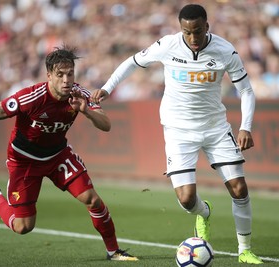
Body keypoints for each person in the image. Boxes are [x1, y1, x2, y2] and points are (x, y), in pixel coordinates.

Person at [91, 4, 263, 264]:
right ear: (180, 29)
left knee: (239, 188)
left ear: (207, 26)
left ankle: (245, 250)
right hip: (179, 130)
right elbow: (133, 62)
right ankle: (203, 213)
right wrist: (107, 87)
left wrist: (245, 126)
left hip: (215, 128)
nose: (192, 38)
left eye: (197, 31)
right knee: (186, 199)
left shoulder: (226, 50)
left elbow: (247, 91)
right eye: (187, 32)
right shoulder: (168, 45)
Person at [0, 46, 138, 262]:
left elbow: (106, 124)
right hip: (24, 161)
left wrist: (86, 111)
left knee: (93, 200)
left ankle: (114, 251)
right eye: (60, 75)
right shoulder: (31, 98)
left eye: (70, 74)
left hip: (57, 155)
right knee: (23, 226)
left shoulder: (79, 94)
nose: (66, 80)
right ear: (49, 76)